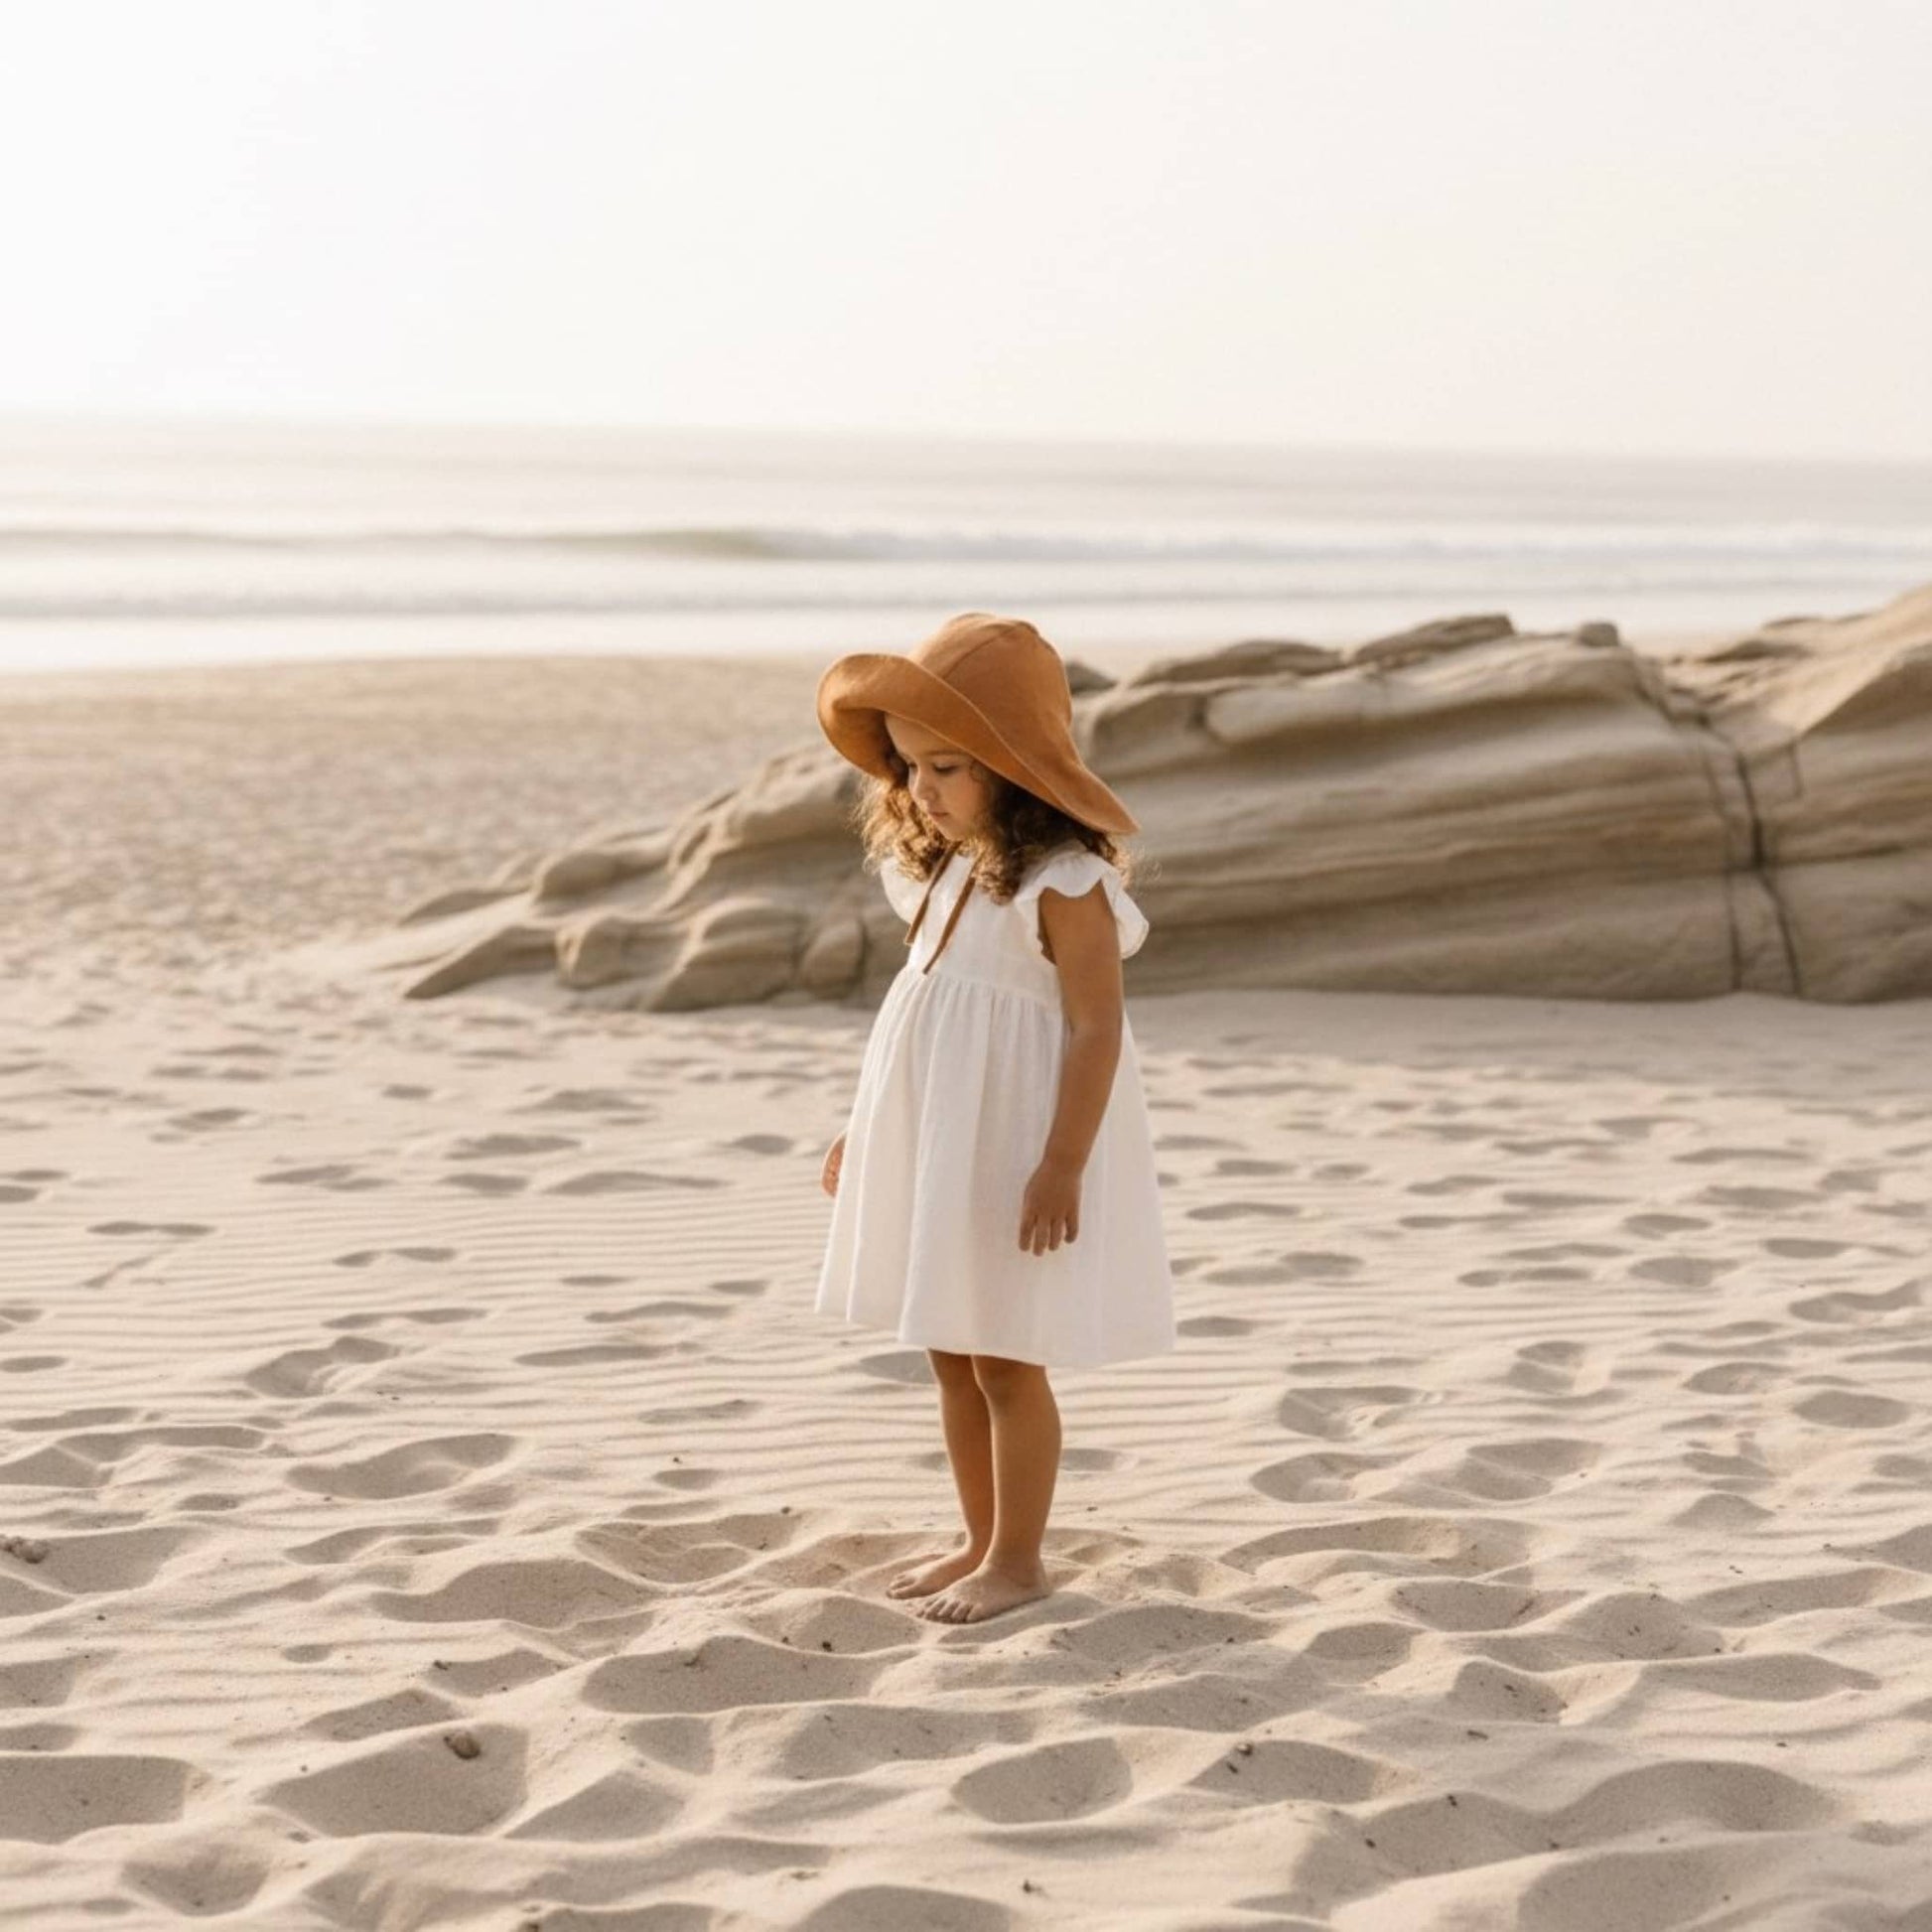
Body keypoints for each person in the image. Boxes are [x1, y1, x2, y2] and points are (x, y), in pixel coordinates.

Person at [811, 612, 1176, 1625]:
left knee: (1007, 1354)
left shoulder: (1066, 884)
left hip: (1016, 1144)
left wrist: (1061, 1163)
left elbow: (1097, 1029)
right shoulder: (939, 871)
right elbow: (914, 1020)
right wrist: (864, 1125)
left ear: (1013, 771)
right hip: (940, 1139)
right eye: (911, 768)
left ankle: (1019, 1557)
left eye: (947, 768)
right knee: (948, 1345)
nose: (920, 789)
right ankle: (977, 1537)